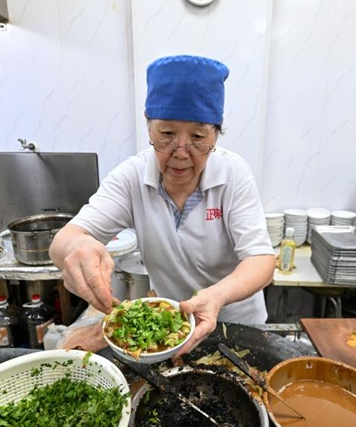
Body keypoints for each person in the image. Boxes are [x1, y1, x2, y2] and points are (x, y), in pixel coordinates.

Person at [49, 54, 275, 355]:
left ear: (216, 132)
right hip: (174, 329)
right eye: (167, 134)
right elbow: (63, 240)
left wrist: (217, 296)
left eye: (197, 137)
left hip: (239, 327)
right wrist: (77, 248)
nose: (181, 152)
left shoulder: (233, 174)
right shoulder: (131, 177)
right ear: (148, 125)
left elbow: (261, 261)